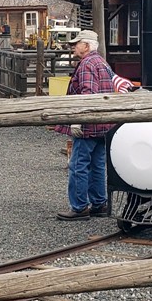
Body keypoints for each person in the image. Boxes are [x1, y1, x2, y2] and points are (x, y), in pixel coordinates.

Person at [56, 30, 115, 221]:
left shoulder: (87, 65)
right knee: (97, 164)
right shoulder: (102, 63)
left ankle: (79, 207)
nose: (73, 46)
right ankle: (99, 203)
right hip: (104, 124)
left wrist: (77, 120)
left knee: (79, 165)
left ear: (87, 46)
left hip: (88, 125)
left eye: (77, 43)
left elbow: (88, 95)